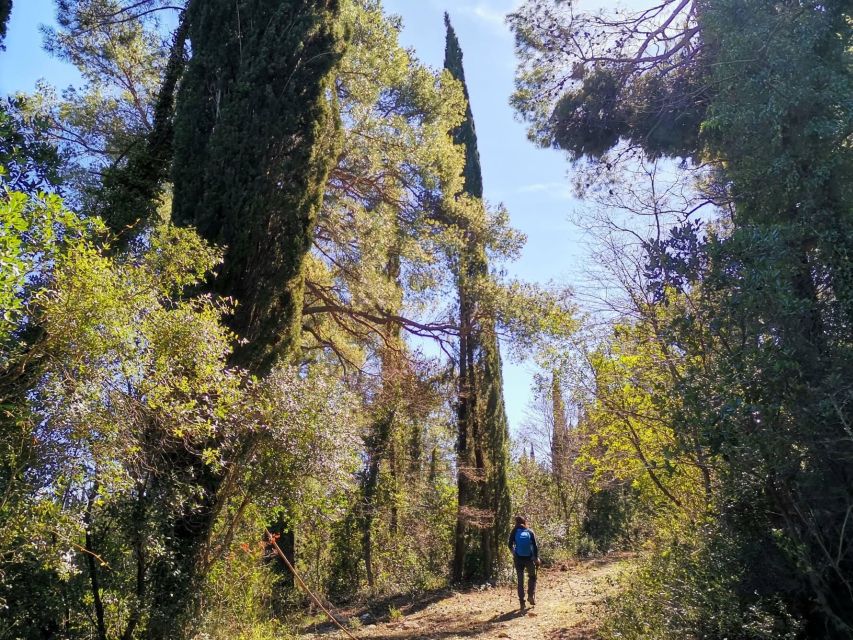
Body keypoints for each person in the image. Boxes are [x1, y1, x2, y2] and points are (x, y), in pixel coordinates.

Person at [507, 515, 540, 609]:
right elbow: (535, 546)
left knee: (520, 580)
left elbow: (510, 544)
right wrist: (536, 558)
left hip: (518, 559)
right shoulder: (530, 531)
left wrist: (514, 553)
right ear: (524, 522)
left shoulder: (514, 531)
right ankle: (530, 595)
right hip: (529, 558)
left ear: (516, 523)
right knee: (532, 576)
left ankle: (522, 602)